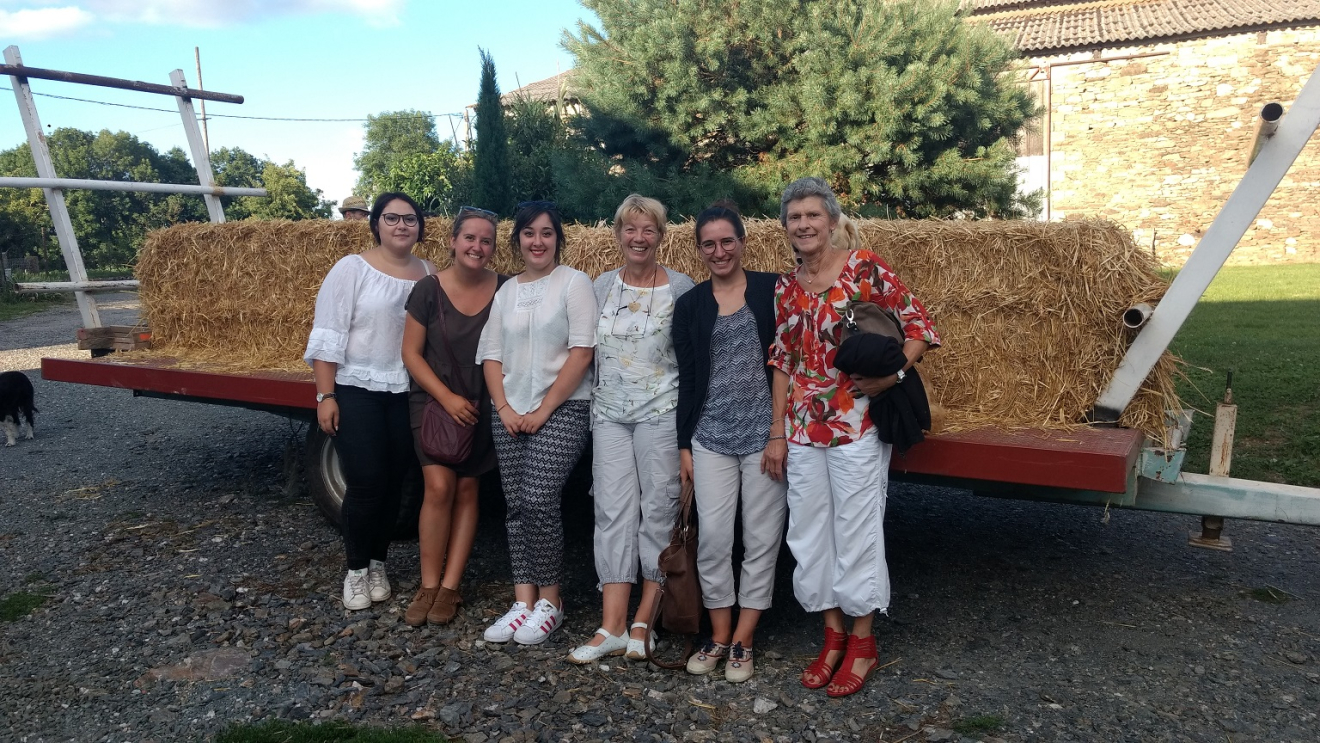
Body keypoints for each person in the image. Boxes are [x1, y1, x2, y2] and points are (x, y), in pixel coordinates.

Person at [769, 177, 940, 697]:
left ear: (831, 220)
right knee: (809, 533)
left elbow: (919, 326)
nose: (804, 225)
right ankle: (832, 634)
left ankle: (863, 642)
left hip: (856, 424)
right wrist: (776, 431)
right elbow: (783, 360)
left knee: (857, 528)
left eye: (812, 216)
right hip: (801, 428)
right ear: (785, 226)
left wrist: (894, 376)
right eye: (794, 217)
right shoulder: (786, 286)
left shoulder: (865, 268)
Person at [567, 195, 695, 664]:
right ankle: (612, 626)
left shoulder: (681, 288)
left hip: (661, 414)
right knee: (611, 512)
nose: (639, 238)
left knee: (658, 512)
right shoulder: (601, 286)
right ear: (618, 234)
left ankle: (646, 619)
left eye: (649, 230)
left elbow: (696, 360)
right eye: (630, 229)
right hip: (609, 416)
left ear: (661, 237)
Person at [671, 202, 787, 683]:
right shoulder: (691, 305)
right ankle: (718, 632)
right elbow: (689, 378)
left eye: (727, 241)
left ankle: (744, 637)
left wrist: (779, 432)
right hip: (712, 437)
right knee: (715, 539)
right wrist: (684, 445)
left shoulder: (773, 289)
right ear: (699, 249)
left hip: (765, 437)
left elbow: (791, 361)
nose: (719, 251)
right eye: (709, 243)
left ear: (743, 241)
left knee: (761, 539)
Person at [305, 192, 435, 610]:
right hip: (357, 387)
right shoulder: (351, 269)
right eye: (392, 218)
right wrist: (326, 394)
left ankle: (379, 562)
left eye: (410, 219)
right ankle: (356, 571)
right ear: (375, 223)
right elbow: (329, 333)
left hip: (405, 391)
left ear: (420, 226)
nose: (401, 226)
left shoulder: (429, 274)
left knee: (397, 485)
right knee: (366, 483)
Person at [477, 201, 597, 645]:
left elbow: (582, 352)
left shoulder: (573, 283)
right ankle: (522, 600)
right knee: (515, 505)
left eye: (546, 233)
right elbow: (491, 354)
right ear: (518, 241)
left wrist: (542, 410)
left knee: (539, 497)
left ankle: (551, 601)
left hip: (562, 409)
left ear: (558, 239)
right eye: (529, 233)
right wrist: (505, 408)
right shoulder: (506, 292)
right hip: (509, 410)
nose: (538, 241)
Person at [400, 206, 507, 627]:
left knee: (467, 491)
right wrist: (445, 397)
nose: (477, 247)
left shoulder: (507, 288)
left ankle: (450, 588)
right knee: (439, 486)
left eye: (486, 241)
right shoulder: (428, 290)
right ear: (452, 241)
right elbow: (410, 353)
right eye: (470, 238)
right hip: (434, 400)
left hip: (483, 400)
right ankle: (428, 583)